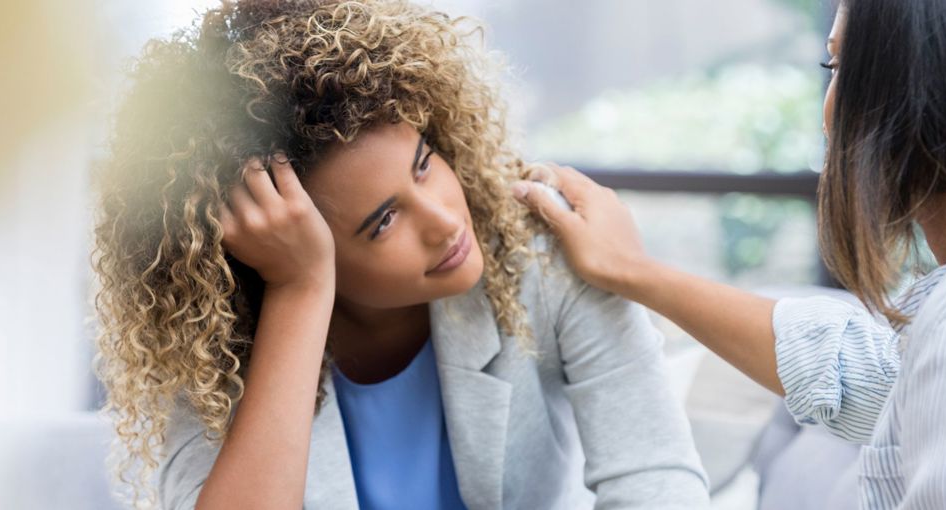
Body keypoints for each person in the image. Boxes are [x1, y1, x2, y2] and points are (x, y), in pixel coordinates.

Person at [512, 0, 946, 507]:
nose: (829, 111)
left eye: (838, 66)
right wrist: (635, 273)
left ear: (935, 94)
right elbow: (862, 372)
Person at [92, 1, 709, 508]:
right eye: (383, 220)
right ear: (275, 243)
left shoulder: (542, 256)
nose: (445, 220)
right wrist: (300, 291)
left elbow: (661, 484)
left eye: (424, 163)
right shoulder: (209, 343)